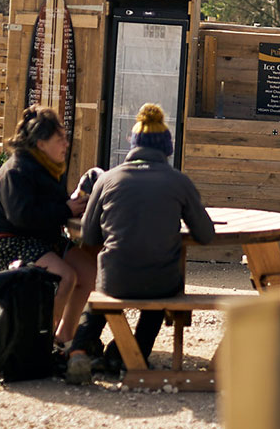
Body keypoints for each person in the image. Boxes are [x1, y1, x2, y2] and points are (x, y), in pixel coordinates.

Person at [64, 104, 216, 384]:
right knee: (158, 296)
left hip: (116, 277)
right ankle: (131, 355)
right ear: (166, 149)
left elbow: (89, 236)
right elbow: (206, 234)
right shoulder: (179, 182)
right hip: (160, 281)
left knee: (104, 292)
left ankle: (79, 351)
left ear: (133, 146)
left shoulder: (107, 180)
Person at [0, 106, 96, 347]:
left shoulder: (46, 168)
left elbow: (51, 210)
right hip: (7, 241)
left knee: (89, 270)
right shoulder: (17, 171)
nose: (66, 144)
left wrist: (76, 207)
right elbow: (22, 217)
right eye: (59, 139)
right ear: (41, 143)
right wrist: (67, 210)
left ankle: (64, 338)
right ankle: (40, 341)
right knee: (66, 276)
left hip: (40, 238)